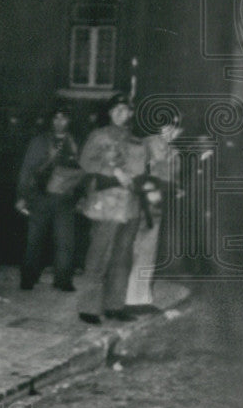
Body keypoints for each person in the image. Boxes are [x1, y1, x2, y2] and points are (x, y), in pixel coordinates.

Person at [76, 93, 148, 325]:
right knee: (99, 254)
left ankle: (114, 305)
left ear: (130, 114)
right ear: (109, 113)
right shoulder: (99, 136)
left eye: (125, 110)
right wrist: (112, 171)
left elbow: (143, 169)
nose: (120, 114)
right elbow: (85, 162)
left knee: (122, 257)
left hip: (130, 206)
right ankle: (88, 308)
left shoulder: (136, 140)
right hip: (106, 205)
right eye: (116, 110)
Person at [14, 104, 83, 291]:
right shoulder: (40, 141)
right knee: (35, 239)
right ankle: (28, 277)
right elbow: (27, 169)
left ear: (69, 120)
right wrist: (22, 196)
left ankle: (63, 279)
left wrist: (82, 196)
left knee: (65, 241)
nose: (60, 122)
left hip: (65, 198)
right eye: (56, 118)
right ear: (51, 120)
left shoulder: (75, 142)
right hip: (40, 196)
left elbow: (83, 171)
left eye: (64, 118)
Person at [125, 110, 183, 314]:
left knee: (149, 249)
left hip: (158, 204)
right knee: (136, 248)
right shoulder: (147, 145)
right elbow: (138, 172)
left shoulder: (174, 153)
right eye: (167, 127)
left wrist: (176, 189)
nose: (171, 132)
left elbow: (174, 179)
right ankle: (129, 297)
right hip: (142, 201)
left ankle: (141, 297)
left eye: (175, 129)